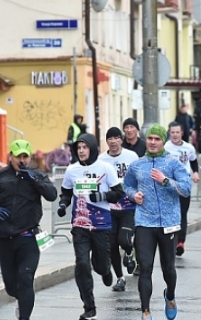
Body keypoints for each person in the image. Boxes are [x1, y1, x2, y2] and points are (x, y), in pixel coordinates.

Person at [0, 139, 57, 320]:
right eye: (18, 156)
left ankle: (24, 317)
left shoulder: (37, 175)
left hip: (29, 237)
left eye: (25, 156)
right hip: (5, 239)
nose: (22, 160)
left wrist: (35, 180)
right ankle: (23, 302)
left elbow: (52, 195)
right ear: (10, 156)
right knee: (11, 287)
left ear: (30, 157)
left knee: (26, 277)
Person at [124, 124, 192, 320]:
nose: (153, 142)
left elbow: (186, 189)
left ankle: (170, 296)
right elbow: (126, 184)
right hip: (144, 221)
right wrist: (132, 194)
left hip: (169, 222)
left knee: (168, 268)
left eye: (157, 139)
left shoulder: (173, 163)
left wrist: (165, 181)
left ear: (163, 142)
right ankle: (145, 312)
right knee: (145, 267)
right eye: (150, 139)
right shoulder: (137, 165)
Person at [57, 133, 126, 319]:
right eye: (78, 148)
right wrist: (63, 204)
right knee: (82, 264)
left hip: (101, 225)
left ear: (93, 148)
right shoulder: (72, 170)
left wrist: (103, 196)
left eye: (84, 147)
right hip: (80, 225)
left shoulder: (105, 167)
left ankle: (105, 270)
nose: (81, 151)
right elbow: (65, 192)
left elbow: (119, 193)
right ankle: (89, 306)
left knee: (101, 265)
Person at [97, 127, 140, 292]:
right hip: (109, 209)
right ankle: (120, 278)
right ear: (106, 141)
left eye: (116, 138)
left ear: (121, 140)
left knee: (124, 240)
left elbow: (139, 177)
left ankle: (130, 251)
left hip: (129, 206)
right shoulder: (101, 160)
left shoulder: (131, 156)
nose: (113, 141)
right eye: (110, 138)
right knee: (112, 245)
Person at [164, 122, 201, 257]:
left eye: (177, 132)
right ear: (169, 133)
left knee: (182, 213)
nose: (174, 135)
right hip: (168, 184)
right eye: (172, 132)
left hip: (184, 183)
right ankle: (170, 241)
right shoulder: (166, 147)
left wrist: (196, 172)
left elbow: (194, 161)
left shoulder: (189, 147)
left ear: (182, 133)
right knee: (170, 213)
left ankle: (181, 242)